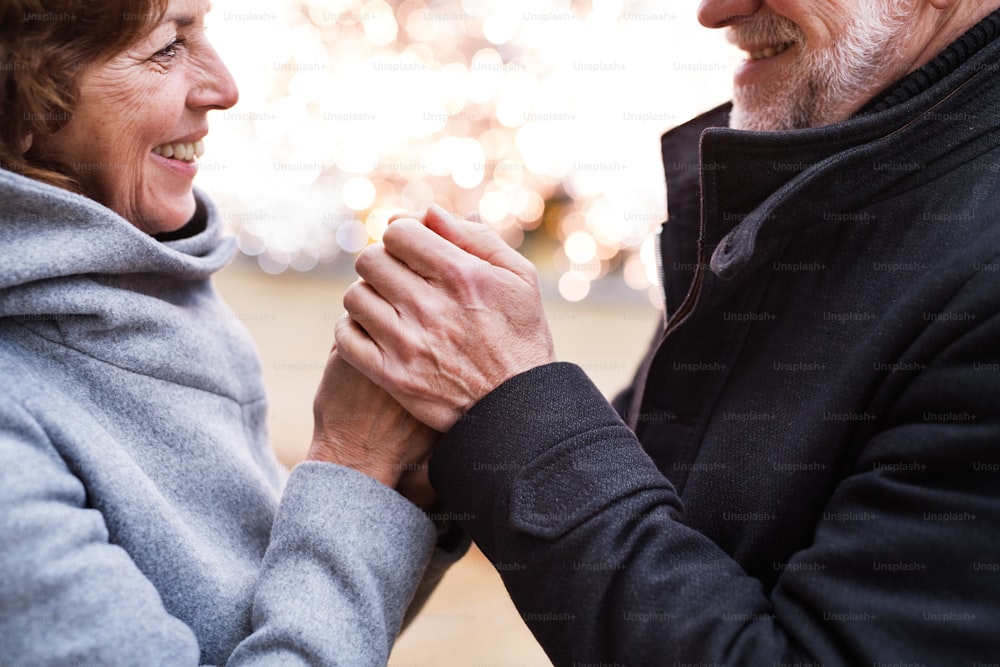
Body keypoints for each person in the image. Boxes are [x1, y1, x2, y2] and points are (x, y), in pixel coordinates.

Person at [337, 0, 1000, 664]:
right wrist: (446, 445)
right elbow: (659, 497)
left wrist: (504, 407)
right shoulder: (815, 184)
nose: (714, 11)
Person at [0, 0, 462, 664]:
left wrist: (398, 491)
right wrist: (351, 466)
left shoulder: (156, 302)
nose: (224, 87)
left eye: (204, 31)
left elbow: (289, 631)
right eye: (167, 47)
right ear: (21, 102)